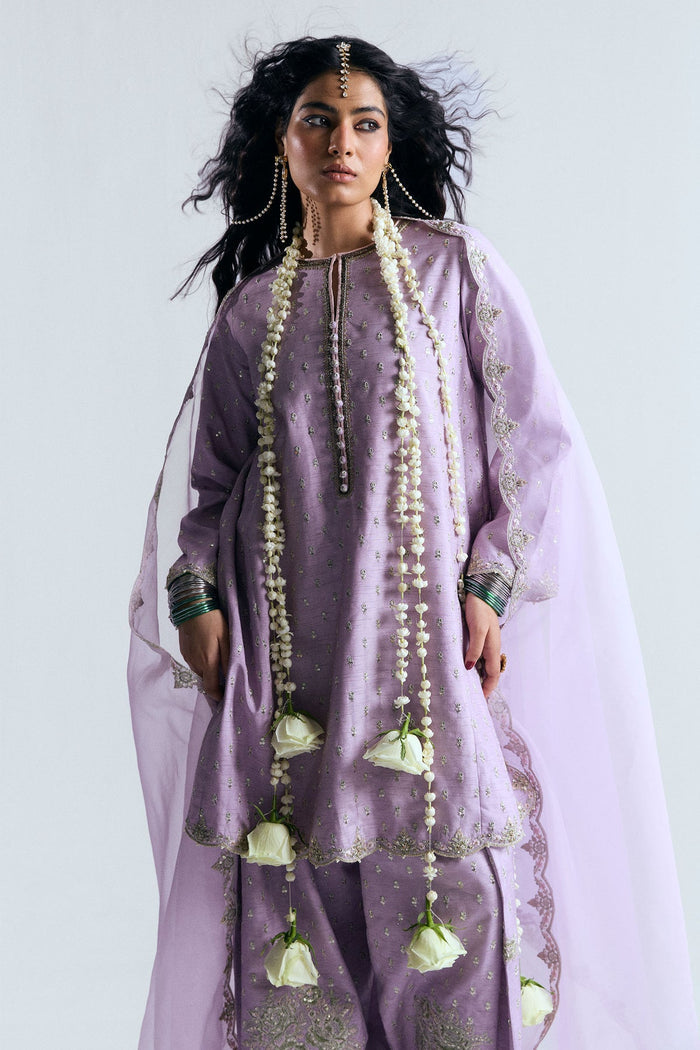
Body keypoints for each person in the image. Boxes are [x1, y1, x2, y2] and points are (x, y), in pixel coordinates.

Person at [128, 36, 699, 1050]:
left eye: (365, 124)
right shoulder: (251, 315)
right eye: (316, 121)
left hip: (418, 664)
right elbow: (210, 490)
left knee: (453, 919)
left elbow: (532, 446)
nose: (339, 143)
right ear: (280, 143)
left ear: (392, 146)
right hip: (282, 674)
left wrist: (488, 584)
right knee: (295, 924)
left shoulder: (454, 273)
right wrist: (196, 601)